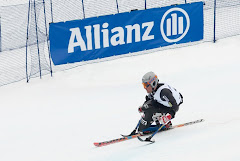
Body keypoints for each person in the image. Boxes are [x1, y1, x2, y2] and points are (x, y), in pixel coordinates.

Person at [130, 71, 183, 136]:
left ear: (153, 83)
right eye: (144, 85)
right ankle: (159, 122)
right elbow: (149, 100)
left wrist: (169, 116)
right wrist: (143, 107)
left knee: (143, 126)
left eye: (146, 85)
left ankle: (162, 123)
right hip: (164, 104)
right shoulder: (153, 91)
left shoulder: (163, 92)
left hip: (171, 106)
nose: (145, 88)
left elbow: (175, 106)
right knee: (147, 107)